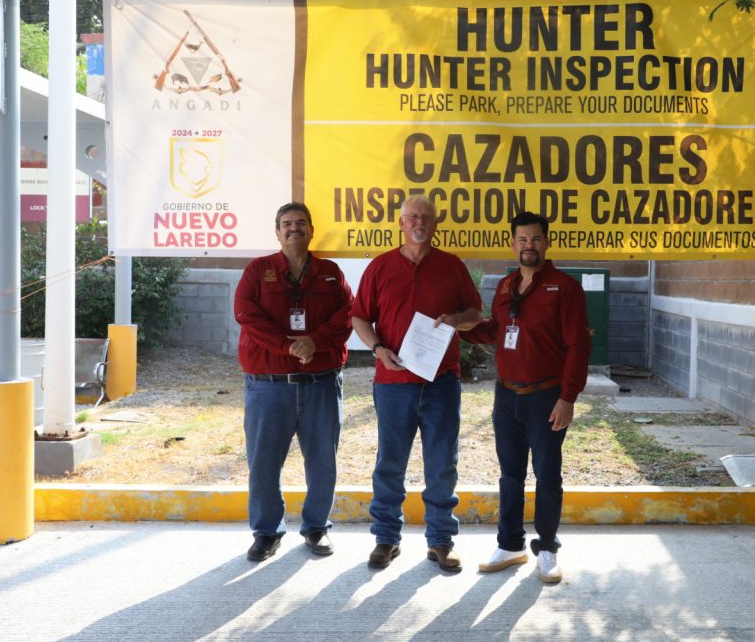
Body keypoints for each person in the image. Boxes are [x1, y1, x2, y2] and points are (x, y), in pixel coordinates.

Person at [350, 194, 483, 572]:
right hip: (393, 382)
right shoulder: (380, 267)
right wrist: (378, 349)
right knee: (390, 463)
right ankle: (386, 538)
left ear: (435, 224)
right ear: (401, 222)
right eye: (412, 217)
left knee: (441, 463)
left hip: (441, 382)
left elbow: (475, 314)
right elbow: (359, 317)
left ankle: (441, 541)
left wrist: (455, 320)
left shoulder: (452, 266)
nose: (419, 222)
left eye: (426, 217)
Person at [462, 211, 590, 583]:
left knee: (547, 474)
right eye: (522, 239)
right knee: (510, 474)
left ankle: (547, 549)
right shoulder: (506, 286)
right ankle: (510, 545)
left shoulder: (565, 288)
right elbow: (496, 330)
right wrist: (456, 327)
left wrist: (568, 398)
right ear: (512, 243)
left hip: (546, 397)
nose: (528, 245)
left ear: (546, 242)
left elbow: (578, 346)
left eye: (535, 239)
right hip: (506, 397)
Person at [234, 202, 354, 562]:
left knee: (322, 461)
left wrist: (315, 341)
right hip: (269, 386)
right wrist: (288, 346)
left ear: (311, 230)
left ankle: (317, 528)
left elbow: (348, 314)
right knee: (264, 463)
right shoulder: (258, 271)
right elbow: (246, 314)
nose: (294, 228)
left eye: (301, 223)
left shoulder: (330, 273)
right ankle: (266, 532)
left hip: (321, 384)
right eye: (286, 223)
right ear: (277, 232)